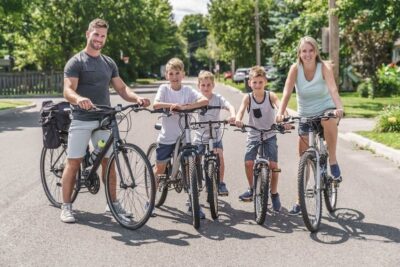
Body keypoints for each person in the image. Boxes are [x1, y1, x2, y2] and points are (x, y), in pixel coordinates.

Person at [61, 18, 150, 223]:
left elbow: (121, 88)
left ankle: (112, 204)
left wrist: (136, 98)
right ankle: (66, 206)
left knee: (109, 161)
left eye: (103, 36)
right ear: (88, 34)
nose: (99, 39)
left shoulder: (108, 62)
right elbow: (68, 90)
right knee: (73, 162)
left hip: (103, 119)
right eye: (96, 34)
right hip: (82, 119)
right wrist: (79, 99)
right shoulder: (76, 62)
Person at [276, 36, 344, 215]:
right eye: (303, 51)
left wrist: (339, 107)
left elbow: (333, 89)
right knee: (304, 160)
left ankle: (333, 159)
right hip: (305, 114)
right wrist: (281, 112)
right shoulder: (295, 69)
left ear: (316, 52)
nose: (307, 54)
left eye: (310, 50)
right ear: (299, 53)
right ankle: (300, 200)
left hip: (325, 109)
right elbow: (286, 91)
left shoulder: (324, 67)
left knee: (327, 119)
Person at [153, 58, 209, 218]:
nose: (175, 76)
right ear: (167, 75)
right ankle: (150, 201)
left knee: (189, 167)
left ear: (183, 74)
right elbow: (155, 105)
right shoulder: (164, 88)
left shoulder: (187, 91)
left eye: (178, 73)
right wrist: (170, 106)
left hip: (185, 136)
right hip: (167, 136)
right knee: (160, 169)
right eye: (171, 73)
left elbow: (204, 100)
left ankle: (193, 204)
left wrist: (185, 107)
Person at [235, 66, 289, 212]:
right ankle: (252, 188)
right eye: (254, 82)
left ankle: (274, 193)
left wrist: (284, 119)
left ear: (265, 82)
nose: (257, 85)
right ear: (249, 83)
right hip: (253, 134)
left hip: (269, 134)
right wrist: (238, 119)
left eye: (260, 82)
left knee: (273, 166)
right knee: (248, 162)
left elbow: (280, 107)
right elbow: (240, 111)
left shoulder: (270, 96)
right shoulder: (248, 98)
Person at [193, 70, 236, 196]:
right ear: (199, 86)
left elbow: (229, 106)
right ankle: (195, 182)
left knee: (220, 157)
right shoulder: (196, 98)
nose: (206, 88)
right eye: (203, 85)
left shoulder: (217, 98)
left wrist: (232, 115)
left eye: (208, 85)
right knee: (195, 159)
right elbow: (187, 107)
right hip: (200, 136)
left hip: (215, 135)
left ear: (213, 85)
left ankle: (221, 183)